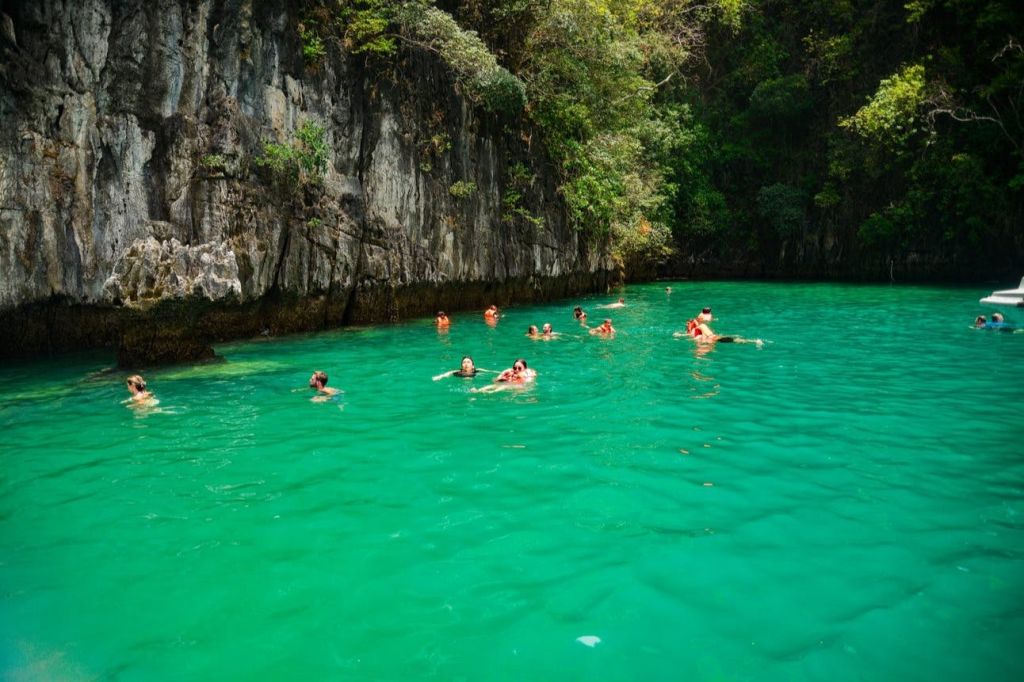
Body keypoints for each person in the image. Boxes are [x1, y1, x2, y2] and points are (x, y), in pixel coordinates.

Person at [471, 358, 536, 393]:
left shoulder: (528, 374)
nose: (516, 370)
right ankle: (478, 390)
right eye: (514, 368)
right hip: (510, 384)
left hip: (519, 387)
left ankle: (491, 393)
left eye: (519, 368)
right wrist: (502, 377)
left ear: (525, 368)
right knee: (493, 385)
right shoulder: (510, 372)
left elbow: (528, 384)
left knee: (504, 386)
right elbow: (495, 380)